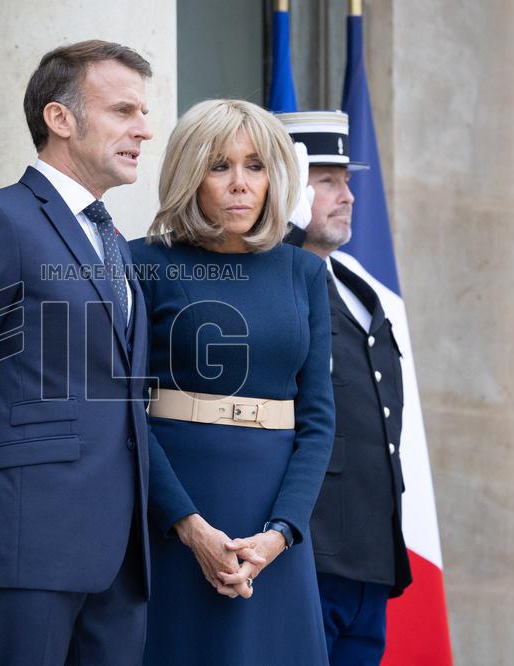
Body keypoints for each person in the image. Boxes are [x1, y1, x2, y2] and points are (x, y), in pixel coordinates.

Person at [0, 40, 156, 665]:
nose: (144, 130)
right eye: (123, 111)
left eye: (142, 114)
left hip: (120, 557)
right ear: (60, 118)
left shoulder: (114, 241)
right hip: (22, 544)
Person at [130, 99, 335, 665]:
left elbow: (318, 420)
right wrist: (187, 525)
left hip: (276, 524)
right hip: (176, 511)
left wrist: (281, 533)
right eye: (219, 166)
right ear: (189, 175)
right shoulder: (140, 263)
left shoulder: (306, 272)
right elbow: (123, 411)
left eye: (255, 166)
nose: (240, 184)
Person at [278, 110, 412, 664]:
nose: (348, 195)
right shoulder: (272, 278)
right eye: (327, 180)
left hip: (370, 555)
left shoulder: (359, 286)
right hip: (306, 552)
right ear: (288, 190)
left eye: (348, 180)